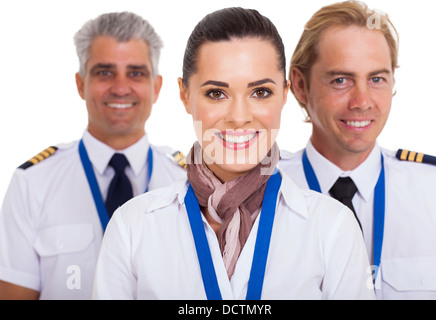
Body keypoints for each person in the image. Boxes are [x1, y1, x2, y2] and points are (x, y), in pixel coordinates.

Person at [92, 7, 374, 300]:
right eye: (216, 93)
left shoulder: (332, 227)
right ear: (185, 95)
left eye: (260, 92)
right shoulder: (131, 227)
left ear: (284, 95)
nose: (239, 117)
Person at [0, 12, 186, 300]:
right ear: (80, 84)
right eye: (104, 72)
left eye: (135, 73)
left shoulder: (189, 182)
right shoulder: (32, 184)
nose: (121, 87)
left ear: (156, 87)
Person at [279, 0, 436, 299]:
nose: (362, 101)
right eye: (341, 80)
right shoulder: (261, 193)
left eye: (376, 79)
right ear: (300, 84)